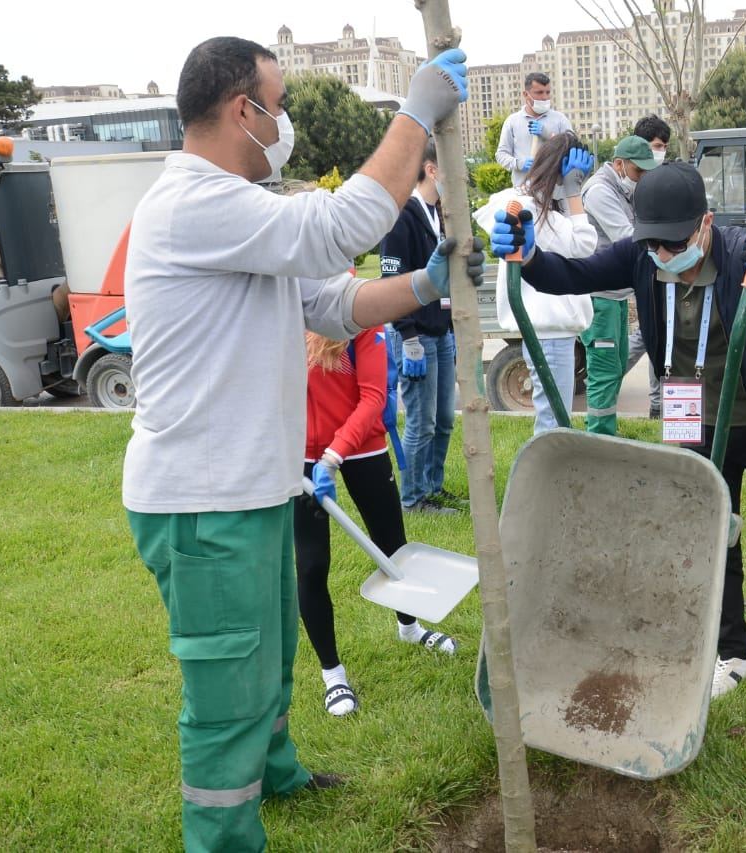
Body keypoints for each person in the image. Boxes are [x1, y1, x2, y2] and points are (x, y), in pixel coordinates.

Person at [121, 36, 475, 852]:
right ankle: (223, 833)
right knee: (226, 687)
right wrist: (414, 114)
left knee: (270, 649)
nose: (283, 124)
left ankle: (276, 770)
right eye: (277, 107)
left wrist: (423, 286)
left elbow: (332, 302)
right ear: (243, 111)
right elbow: (336, 227)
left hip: (248, 490)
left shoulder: (235, 213)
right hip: (203, 502)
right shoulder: (193, 202)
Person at [490, 161, 746, 699]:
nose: (666, 256)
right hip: (689, 420)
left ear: (706, 222)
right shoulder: (640, 258)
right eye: (656, 245)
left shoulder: (739, 249)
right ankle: (734, 653)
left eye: (676, 244)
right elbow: (569, 276)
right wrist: (527, 255)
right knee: (713, 540)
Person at [296, 329, 458, 717]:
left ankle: (410, 628)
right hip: (298, 456)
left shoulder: (358, 321)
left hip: (362, 449)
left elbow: (372, 397)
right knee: (312, 563)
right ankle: (333, 675)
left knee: (392, 547)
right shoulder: (280, 313)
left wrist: (334, 456)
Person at [477, 131, 596, 433]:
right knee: (554, 422)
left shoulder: (523, 203)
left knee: (551, 418)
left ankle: (544, 478)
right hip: (551, 330)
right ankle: (543, 480)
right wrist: (573, 193)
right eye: (575, 176)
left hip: (545, 330)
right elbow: (584, 245)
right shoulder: (536, 214)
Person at [380, 140, 464, 514]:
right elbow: (390, 281)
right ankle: (413, 499)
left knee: (444, 419)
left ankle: (433, 485)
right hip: (415, 334)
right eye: (452, 170)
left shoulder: (442, 215)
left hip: (441, 331)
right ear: (432, 169)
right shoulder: (402, 216)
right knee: (421, 421)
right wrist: (408, 335)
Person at [580, 135, 660, 434]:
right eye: (639, 172)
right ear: (619, 164)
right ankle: (598, 439)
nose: (642, 178)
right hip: (599, 298)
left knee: (613, 370)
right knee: (603, 372)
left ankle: (605, 435)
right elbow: (628, 237)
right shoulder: (600, 191)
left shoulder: (621, 190)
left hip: (613, 298)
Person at [626, 116, 674, 417]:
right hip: (646, 271)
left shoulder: (661, 177)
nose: (661, 153)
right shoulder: (631, 183)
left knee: (659, 335)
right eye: (657, 146)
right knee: (651, 333)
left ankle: (660, 406)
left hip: (664, 268)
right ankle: (604, 379)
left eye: (664, 147)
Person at [495, 71, 573, 188]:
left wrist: (549, 135)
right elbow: (501, 155)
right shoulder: (512, 121)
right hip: (523, 191)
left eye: (547, 92)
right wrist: (520, 164)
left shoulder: (560, 119)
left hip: (554, 191)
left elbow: (572, 148)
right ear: (526, 94)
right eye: (539, 92)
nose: (545, 97)